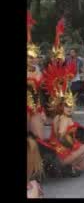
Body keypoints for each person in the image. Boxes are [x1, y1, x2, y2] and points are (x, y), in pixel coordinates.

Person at [27, 11, 46, 139]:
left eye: (34, 57)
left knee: (39, 137)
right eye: (29, 57)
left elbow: (40, 92)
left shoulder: (38, 71)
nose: (32, 60)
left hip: (36, 107)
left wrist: (42, 109)